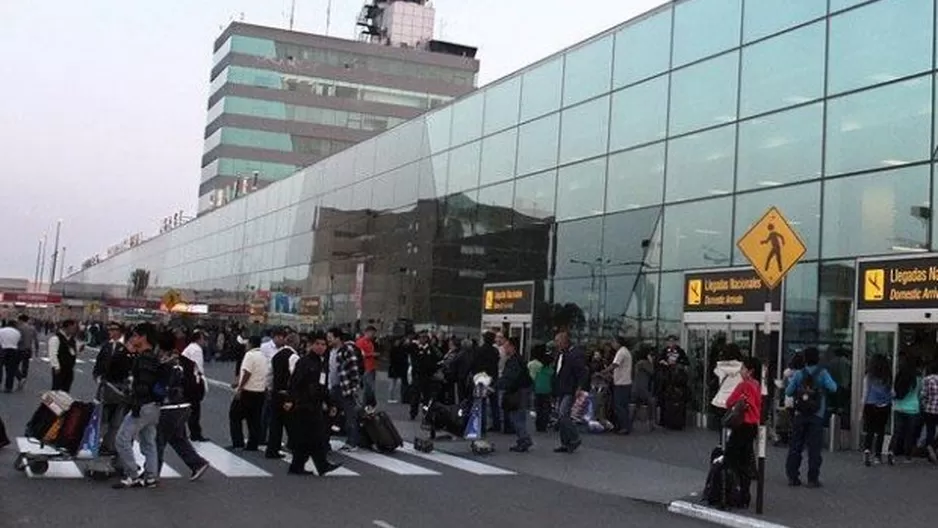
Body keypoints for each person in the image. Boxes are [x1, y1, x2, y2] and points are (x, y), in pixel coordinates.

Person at [154, 331, 210, 482]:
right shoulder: (184, 360)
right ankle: (197, 463)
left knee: (158, 439)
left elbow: (160, 387)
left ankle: (152, 473)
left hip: (169, 405)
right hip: (185, 404)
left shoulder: (164, 363)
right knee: (177, 437)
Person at [113, 323, 163, 489]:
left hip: (142, 406)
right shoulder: (154, 357)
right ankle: (150, 477)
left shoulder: (144, 359)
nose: (132, 338)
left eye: (135, 335)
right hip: (154, 406)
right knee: (148, 442)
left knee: (121, 439)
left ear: (143, 338)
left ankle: (132, 474)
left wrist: (134, 401)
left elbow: (143, 385)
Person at [286, 332, 341, 476]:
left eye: (323, 344)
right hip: (303, 405)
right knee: (315, 436)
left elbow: (323, 386)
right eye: (317, 344)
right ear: (311, 345)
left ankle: (298, 466)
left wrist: (330, 403)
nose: (321, 347)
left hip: (316, 404)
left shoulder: (322, 363)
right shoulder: (304, 362)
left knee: (310, 438)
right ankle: (321, 465)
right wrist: (291, 400)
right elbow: (294, 383)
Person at [785, 346, 837, 488]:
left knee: (796, 446)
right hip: (817, 414)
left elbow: (789, 392)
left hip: (800, 414)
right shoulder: (823, 373)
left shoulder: (799, 374)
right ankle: (812, 479)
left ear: (805, 359)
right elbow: (833, 388)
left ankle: (793, 476)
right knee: (814, 448)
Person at [724, 356, 762, 509]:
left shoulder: (743, 386)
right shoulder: (757, 385)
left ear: (750, 371)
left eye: (743, 368)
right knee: (746, 460)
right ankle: (745, 494)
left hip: (741, 425)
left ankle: (734, 493)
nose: (741, 371)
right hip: (752, 426)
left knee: (732, 459)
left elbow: (729, 402)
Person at [93, 322, 133, 456]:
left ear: (120, 331)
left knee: (117, 418)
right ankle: (101, 443)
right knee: (102, 416)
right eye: (109, 330)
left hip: (119, 386)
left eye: (114, 330)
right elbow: (99, 362)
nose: (110, 332)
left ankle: (111, 444)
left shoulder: (126, 347)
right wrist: (97, 375)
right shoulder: (107, 346)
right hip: (105, 385)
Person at [230, 336, 268, 451]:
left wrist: (240, 388)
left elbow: (247, 372)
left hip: (248, 391)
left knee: (234, 416)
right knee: (254, 419)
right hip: (260, 391)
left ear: (251, 344)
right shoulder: (263, 356)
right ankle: (253, 444)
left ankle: (238, 443)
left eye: (247, 344)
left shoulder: (249, 355)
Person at [326, 328, 362, 450]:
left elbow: (354, 370)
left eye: (330, 337)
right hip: (333, 387)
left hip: (345, 388)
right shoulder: (331, 351)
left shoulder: (347, 350)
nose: (328, 339)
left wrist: (354, 388)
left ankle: (353, 442)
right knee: (331, 414)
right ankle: (326, 441)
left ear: (338, 338)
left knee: (350, 415)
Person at [266, 330, 300, 459]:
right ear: (295, 343)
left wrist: (269, 388)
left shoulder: (276, 356)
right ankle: (296, 447)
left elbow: (269, 374)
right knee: (292, 423)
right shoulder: (293, 357)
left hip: (276, 392)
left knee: (276, 423)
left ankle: (272, 449)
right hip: (287, 394)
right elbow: (294, 377)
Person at [552, 331, 588, 453]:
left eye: (558, 341)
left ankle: (575, 437)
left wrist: (579, 387)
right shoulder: (561, 354)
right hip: (561, 388)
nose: (556, 344)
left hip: (569, 388)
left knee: (563, 414)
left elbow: (582, 372)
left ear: (564, 341)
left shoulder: (575, 354)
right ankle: (565, 442)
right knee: (561, 416)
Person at [498, 336, 533, 452]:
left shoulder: (514, 361)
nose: (504, 348)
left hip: (518, 390)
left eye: (506, 346)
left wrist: (497, 385)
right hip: (521, 389)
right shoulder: (517, 359)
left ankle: (524, 439)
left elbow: (510, 377)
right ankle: (523, 438)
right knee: (517, 416)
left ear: (512, 347)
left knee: (517, 416)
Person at [888, 353, 922, 465]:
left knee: (897, 432)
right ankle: (907, 456)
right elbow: (920, 394)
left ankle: (891, 451)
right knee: (909, 433)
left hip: (898, 407)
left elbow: (894, 391)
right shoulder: (917, 378)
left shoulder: (900, 376)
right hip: (913, 408)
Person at [861, 353, 892, 466]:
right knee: (881, 431)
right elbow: (891, 392)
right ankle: (878, 456)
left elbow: (865, 393)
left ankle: (867, 450)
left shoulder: (868, 376)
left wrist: (861, 408)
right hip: (884, 405)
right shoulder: (887, 377)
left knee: (869, 430)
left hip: (870, 404)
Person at [182, 330, 209, 442]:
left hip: (186, 380)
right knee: (195, 409)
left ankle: (191, 432)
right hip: (194, 381)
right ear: (198, 339)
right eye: (204, 339)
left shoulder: (189, 348)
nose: (205, 341)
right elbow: (199, 368)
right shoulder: (197, 350)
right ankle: (195, 434)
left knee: (189, 408)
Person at [607, 336, 633, 435]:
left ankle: (623, 426)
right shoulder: (626, 351)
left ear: (618, 342)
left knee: (619, 406)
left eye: (613, 342)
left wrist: (604, 372)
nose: (612, 345)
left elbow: (615, 365)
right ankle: (626, 425)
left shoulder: (621, 352)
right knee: (624, 406)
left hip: (621, 383)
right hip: (625, 382)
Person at [527, 345, 553, 433]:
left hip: (538, 391)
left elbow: (534, 379)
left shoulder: (539, 370)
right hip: (547, 391)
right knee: (545, 409)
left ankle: (538, 425)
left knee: (538, 408)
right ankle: (544, 425)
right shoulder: (551, 371)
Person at [48, 320, 80, 392]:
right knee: (56, 390)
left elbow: (73, 351)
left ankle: (64, 402)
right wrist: (56, 366)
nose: (74, 330)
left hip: (69, 369)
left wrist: (79, 349)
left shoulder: (72, 339)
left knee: (66, 390)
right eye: (73, 328)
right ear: (67, 327)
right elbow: (53, 353)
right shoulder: (56, 338)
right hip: (59, 369)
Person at [356, 326, 379, 408]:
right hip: (366, 367)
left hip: (372, 367)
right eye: (372, 333)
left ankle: (366, 404)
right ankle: (371, 403)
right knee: (369, 387)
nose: (373, 335)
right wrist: (371, 354)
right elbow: (359, 354)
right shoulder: (361, 342)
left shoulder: (370, 342)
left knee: (368, 388)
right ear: (367, 332)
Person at [16, 315, 38, 391]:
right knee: (25, 366)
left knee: (14, 365)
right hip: (28, 349)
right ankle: (23, 378)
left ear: (21, 320)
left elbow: (18, 339)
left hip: (20, 349)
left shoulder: (19, 328)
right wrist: (37, 350)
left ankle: (20, 378)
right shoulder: (32, 328)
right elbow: (36, 340)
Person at [0, 320, 22, 393]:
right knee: (10, 370)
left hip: (2, 349)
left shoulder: (1, 330)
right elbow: (18, 342)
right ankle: (8, 387)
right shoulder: (17, 332)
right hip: (13, 351)